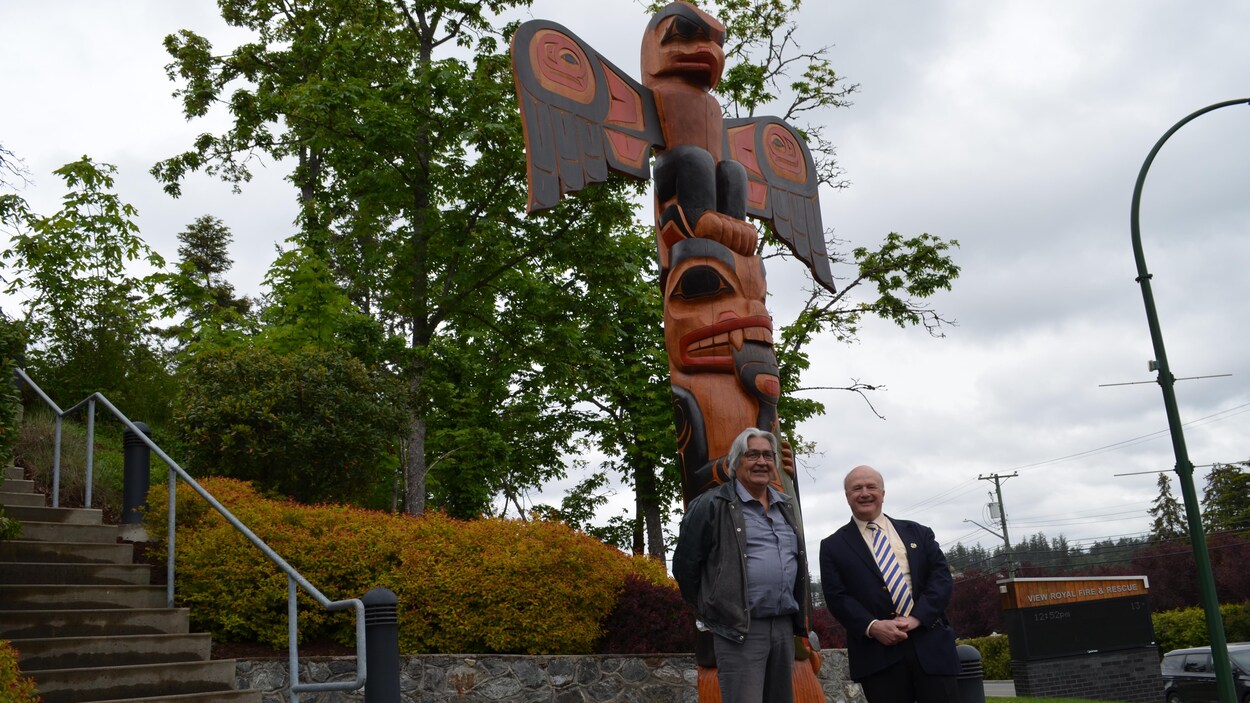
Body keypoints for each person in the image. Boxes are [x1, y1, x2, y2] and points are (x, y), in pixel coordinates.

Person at [672, 427, 809, 703]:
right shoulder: (712, 504)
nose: (762, 462)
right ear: (736, 462)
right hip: (741, 629)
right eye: (752, 455)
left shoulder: (785, 506)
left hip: (783, 626)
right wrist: (714, 608)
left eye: (768, 456)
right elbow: (685, 567)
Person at [818, 465, 960, 703]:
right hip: (877, 655)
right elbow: (837, 597)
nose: (864, 493)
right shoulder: (832, 546)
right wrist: (873, 626)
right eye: (857, 488)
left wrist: (916, 618)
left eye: (871, 487)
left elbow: (941, 578)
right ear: (847, 497)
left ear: (883, 493)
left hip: (931, 647)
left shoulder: (919, 533)